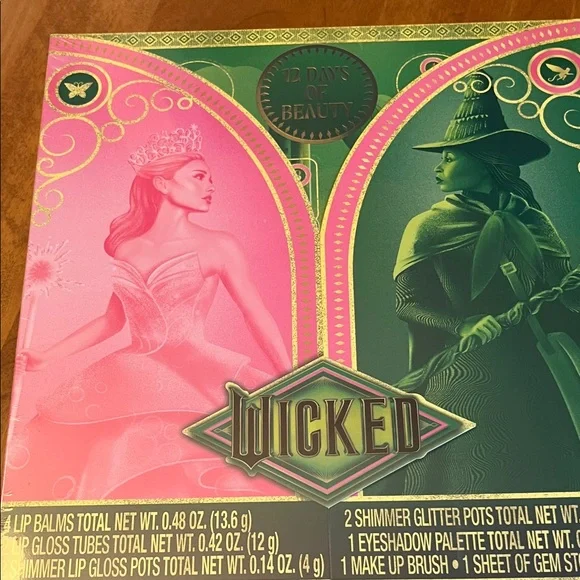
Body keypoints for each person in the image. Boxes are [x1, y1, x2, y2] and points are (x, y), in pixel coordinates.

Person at [10, 125, 292, 500]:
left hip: (196, 374)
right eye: (199, 177)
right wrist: (48, 356)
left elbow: (254, 312)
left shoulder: (218, 245)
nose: (210, 186)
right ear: (162, 183)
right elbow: (112, 321)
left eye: (211, 178)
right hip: (130, 375)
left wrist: (289, 374)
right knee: (108, 454)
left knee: (200, 460)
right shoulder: (128, 248)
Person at [392, 72, 580, 494]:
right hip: (466, 370)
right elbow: (407, 303)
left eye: (450, 157)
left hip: (534, 371)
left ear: (485, 161)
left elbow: (561, 297)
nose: (439, 167)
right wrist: (462, 325)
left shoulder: (533, 220)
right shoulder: (427, 226)